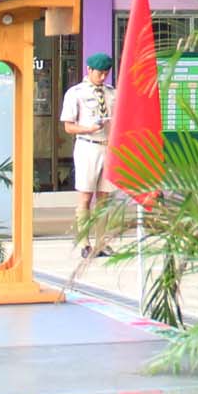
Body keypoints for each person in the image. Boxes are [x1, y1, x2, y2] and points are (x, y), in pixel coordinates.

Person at [61, 52, 118, 258]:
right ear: (89, 70)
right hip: (88, 146)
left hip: (108, 147)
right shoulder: (75, 93)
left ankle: (102, 242)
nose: (102, 77)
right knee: (85, 195)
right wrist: (89, 129)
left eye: (105, 73)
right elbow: (68, 126)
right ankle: (85, 243)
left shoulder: (112, 93)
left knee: (104, 196)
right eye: (99, 73)